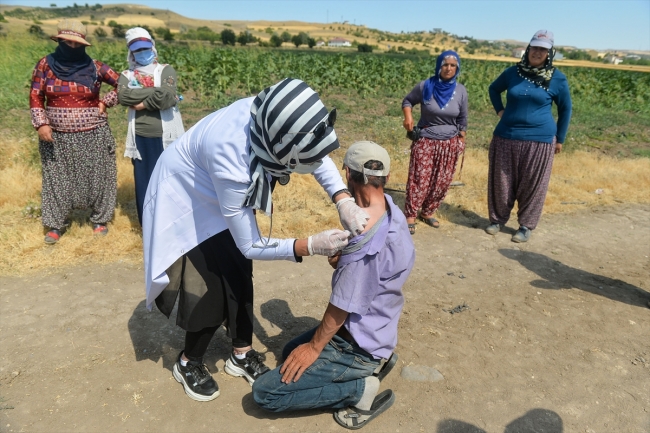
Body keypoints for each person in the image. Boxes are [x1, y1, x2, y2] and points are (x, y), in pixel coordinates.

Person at [143, 78, 371, 402]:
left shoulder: (276, 118)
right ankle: (188, 361)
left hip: (216, 187)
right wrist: (309, 245)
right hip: (187, 197)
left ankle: (241, 353)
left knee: (239, 272)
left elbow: (315, 151)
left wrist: (343, 198)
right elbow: (250, 243)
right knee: (209, 287)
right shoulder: (233, 163)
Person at [252, 141, 416, 430]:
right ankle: (378, 361)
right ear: (385, 178)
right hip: (377, 329)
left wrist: (314, 349)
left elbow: (342, 305)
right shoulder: (394, 213)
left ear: (350, 176)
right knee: (289, 350)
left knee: (266, 393)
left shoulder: (364, 243)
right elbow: (379, 271)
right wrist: (347, 263)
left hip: (356, 343)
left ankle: (360, 388)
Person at [30, 19, 120, 244]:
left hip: (94, 132)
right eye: (67, 42)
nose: (71, 47)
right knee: (56, 178)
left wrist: (106, 102)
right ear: (59, 40)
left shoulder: (96, 67)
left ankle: (100, 219)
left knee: (98, 176)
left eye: (76, 44)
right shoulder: (45, 65)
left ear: (83, 45)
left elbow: (125, 85)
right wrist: (41, 123)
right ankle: (56, 225)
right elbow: (35, 95)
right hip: (56, 135)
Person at [486, 30, 572, 243]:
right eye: (534, 47)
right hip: (506, 135)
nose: (537, 52)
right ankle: (497, 220)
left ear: (549, 52)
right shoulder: (513, 73)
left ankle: (525, 226)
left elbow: (565, 109)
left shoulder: (557, 78)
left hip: (540, 139)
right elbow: (494, 89)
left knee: (533, 184)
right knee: (501, 182)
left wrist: (560, 139)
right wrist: (500, 110)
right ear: (528, 49)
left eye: (543, 49)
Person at [118, 27, 184, 226]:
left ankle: (172, 224)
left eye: (145, 49)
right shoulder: (126, 75)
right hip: (140, 136)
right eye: (137, 50)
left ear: (152, 48)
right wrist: (156, 92)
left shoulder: (166, 70)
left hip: (166, 135)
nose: (142, 53)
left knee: (170, 181)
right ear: (131, 52)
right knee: (145, 183)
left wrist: (142, 103)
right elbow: (123, 96)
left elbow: (167, 96)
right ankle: (149, 227)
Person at [402, 50, 467, 234]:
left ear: (457, 68)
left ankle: (428, 211)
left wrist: (461, 140)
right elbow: (407, 101)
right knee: (419, 179)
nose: (448, 68)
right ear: (439, 66)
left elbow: (463, 118)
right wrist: (408, 117)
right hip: (426, 140)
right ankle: (411, 214)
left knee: (441, 181)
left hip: (449, 143)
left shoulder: (461, 90)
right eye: (445, 64)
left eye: (453, 65)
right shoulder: (425, 86)